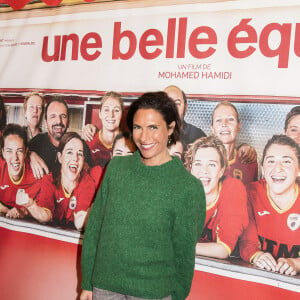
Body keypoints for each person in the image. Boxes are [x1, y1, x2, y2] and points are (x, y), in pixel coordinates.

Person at [80, 92, 206, 300]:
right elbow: (95, 228)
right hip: (104, 287)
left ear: (171, 128)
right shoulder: (117, 168)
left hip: (153, 293)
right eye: (138, 127)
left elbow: (184, 254)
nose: (144, 138)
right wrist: (87, 283)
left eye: (153, 127)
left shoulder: (188, 188)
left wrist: (176, 297)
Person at [240, 135, 300, 276]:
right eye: (271, 161)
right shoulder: (250, 193)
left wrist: (296, 263)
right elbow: (246, 242)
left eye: (286, 162)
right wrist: (257, 255)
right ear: (263, 167)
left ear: (298, 169)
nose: (277, 169)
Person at [185, 136, 248, 259]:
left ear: (221, 170)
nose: (204, 171)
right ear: (190, 168)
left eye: (212, 165)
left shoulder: (233, 189)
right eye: (198, 164)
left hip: (227, 270)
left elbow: (223, 250)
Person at [34, 132, 102, 230]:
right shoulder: (49, 180)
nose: (75, 158)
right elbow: (45, 216)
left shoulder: (87, 182)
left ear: (84, 160)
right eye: (69, 152)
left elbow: (79, 220)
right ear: (60, 157)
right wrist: (30, 205)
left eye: (80, 154)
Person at [29, 97, 93, 178]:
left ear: (68, 122)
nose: (58, 121)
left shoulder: (81, 145)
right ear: (46, 122)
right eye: (53, 116)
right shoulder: (36, 143)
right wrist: (30, 154)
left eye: (63, 116)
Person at [0, 124, 48, 221]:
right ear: (3, 153)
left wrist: (25, 211)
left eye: (19, 151)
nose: (15, 158)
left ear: (26, 152)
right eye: (9, 151)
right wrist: (7, 211)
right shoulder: (1, 167)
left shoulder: (39, 175)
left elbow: (46, 216)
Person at [211, 101, 258, 185]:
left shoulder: (249, 161)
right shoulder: (201, 161)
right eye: (218, 120)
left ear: (238, 126)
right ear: (212, 129)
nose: (224, 124)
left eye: (230, 119)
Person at [85, 92, 123, 167]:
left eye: (116, 110)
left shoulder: (129, 144)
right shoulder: (89, 143)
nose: (111, 115)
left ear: (122, 114)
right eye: (106, 110)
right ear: (100, 113)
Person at [164, 85, 206, 151]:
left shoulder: (198, 136)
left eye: (177, 103)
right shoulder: (152, 134)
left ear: (185, 108)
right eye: (167, 103)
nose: (172, 108)